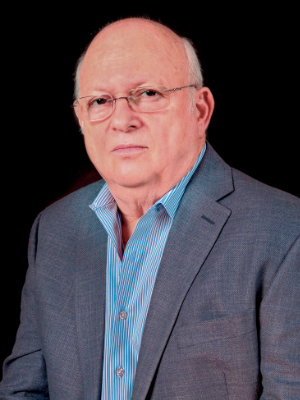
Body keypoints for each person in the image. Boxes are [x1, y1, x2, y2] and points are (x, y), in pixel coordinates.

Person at [0, 17, 299, 400]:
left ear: (200, 109)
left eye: (148, 94)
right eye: (100, 101)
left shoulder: (285, 232)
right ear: (81, 119)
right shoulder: (54, 231)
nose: (123, 120)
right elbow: (25, 390)